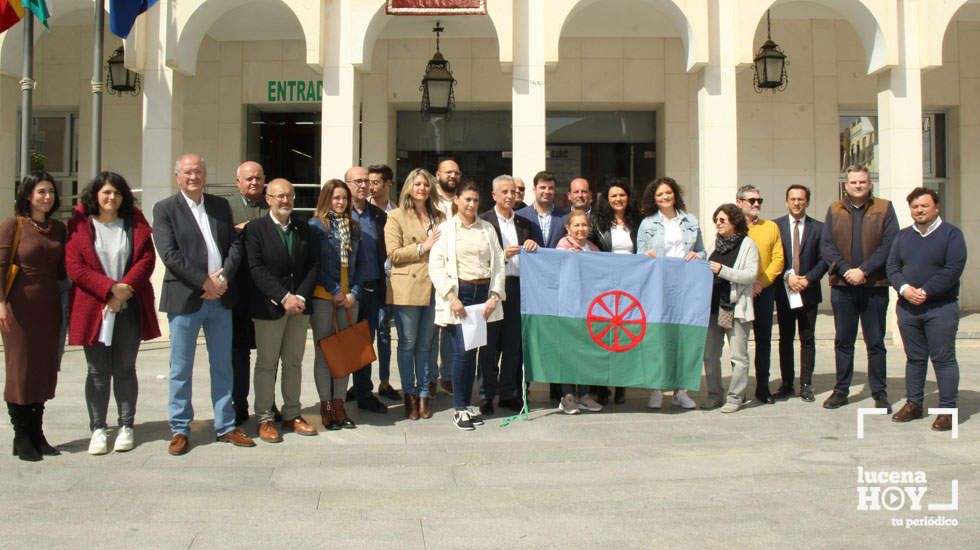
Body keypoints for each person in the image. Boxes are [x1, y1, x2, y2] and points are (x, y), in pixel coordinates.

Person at [152, 153, 254, 456]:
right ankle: (180, 428)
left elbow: (235, 244)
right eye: (187, 172)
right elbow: (169, 254)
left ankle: (225, 424)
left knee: (222, 364)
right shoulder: (165, 209)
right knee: (180, 367)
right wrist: (204, 282)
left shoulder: (220, 206)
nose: (193, 177)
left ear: (205, 174)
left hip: (221, 298)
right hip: (186, 298)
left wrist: (222, 277)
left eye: (198, 171)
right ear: (177, 177)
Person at [66, 172, 160, 455]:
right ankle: (97, 428)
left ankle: (126, 424)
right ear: (95, 194)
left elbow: (146, 259)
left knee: (125, 368)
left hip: (128, 307)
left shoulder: (134, 222)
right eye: (106, 192)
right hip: (94, 307)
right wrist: (109, 290)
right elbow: (75, 266)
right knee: (97, 371)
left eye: (117, 193)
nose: (112, 198)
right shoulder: (80, 223)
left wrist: (124, 290)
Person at [887, 187, 966, 432]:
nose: (919, 210)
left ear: (936, 207)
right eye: (915, 207)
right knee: (915, 359)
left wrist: (926, 291)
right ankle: (914, 403)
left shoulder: (951, 234)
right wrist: (904, 288)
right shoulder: (902, 236)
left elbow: (953, 268)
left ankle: (946, 410)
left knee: (943, 359)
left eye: (924, 206)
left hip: (940, 308)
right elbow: (892, 267)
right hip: (908, 308)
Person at [820, 165, 898, 412]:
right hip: (842, 287)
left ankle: (880, 393)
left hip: (874, 285)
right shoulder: (834, 209)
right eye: (853, 182)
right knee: (844, 341)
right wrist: (845, 270)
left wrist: (863, 270)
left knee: (875, 342)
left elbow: (890, 244)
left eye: (862, 182)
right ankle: (841, 391)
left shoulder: (884, 208)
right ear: (846, 185)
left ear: (869, 183)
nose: (858, 186)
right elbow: (827, 246)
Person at [245, 178, 318, 443]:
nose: (284, 201)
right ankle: (265, 418)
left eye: (289, 196)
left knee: (294, 363)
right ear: (268, 199)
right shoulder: (255, 229)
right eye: (279, 196)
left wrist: (298, 296)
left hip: (298, 308)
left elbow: (312, 265)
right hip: (269, 308)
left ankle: (292, 413)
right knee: (266, 364)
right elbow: (255, 269)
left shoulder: (303, 228)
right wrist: (283, 296)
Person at [429, 180, 506, 431]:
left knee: (483, 353)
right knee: (462, 354)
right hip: (461, 294)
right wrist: (452, 298)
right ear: (457, 201)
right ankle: (459, 407)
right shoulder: (446, 229)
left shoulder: (487, 229)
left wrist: (494, 296)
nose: (472, 204)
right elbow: (436, 266)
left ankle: (470, 404)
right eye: (467, 200)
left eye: (475, 200)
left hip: (485, 295)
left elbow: (499, 264)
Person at [0, 172, 66, 461]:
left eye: (50, 191)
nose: (46, 197)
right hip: (18, 308)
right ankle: (21, 435)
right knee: (20, 370)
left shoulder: (58, 229)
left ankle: (38, 434)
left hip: (49, 308)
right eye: (41, 191)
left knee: (42, 370)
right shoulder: (13, 226)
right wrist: (0, 302)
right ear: (28, 195)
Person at [634, 177, 705, 409]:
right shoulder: (647, 224)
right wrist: (647, 256)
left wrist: (698, 256)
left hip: (685, 286)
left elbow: (702, 251)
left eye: (668, 193)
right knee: (658, 337)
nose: (664, 197)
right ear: (653, 200)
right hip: (658, 286)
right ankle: (656, 389)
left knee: (682, 338)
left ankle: (680, 390)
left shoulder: (691, 221)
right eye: (659, 195)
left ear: (675, 194)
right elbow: (639, 255)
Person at [385, 168, 444, 420]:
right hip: (407, 288)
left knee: (425, 345)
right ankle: (409, 395)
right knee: (407, 344)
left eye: (426, 185)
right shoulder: (396, 216)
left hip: (435, 286)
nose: (422, 188)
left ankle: (423, 394)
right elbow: (393, 254)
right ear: (409, 187)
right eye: (417, 184)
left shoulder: (439, 216)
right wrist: (423, 246)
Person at [309, 179, 366, 430]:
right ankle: (326, 406)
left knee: (345, 353)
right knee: (324, 352)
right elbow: (315, 265)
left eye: (344, 198)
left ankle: (339, 404)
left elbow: (362, 265)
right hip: (324, 298)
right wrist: (334, 291)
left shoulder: (353, 227)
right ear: (326, 200)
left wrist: (353, 292)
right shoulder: (316, 226)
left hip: (349, 299)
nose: (340, 202)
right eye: (335, 198)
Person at [478, 175, 538, 415]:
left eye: (513, 192)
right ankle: (485, 395)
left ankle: (508, 393)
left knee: (513, 344)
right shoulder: (484, 221)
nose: (510, 196)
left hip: (518, 287)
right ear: (494, 195)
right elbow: (479, 259)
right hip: (493, 288)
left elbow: (535, 256)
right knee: (490, 345)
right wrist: (502, 256)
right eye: (505, 192)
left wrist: (532, 246)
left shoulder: (524, 224)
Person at [703, 204, 759, 413]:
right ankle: (714, 395)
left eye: (722, 220)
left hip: (735, 307)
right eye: (716, 220)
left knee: (738, 356)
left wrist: (723, 270)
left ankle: (735, 397)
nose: (718, 223)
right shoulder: (713, 245)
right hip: (712, 308)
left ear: (734, 222)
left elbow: (750, 275)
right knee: (710, 354)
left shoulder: (747, 245)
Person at [773, 185, 827, 402]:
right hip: (784, 290)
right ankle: (786, 384)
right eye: (793, 199)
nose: (796, 203)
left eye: (801, 199)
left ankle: (806, 384)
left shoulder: (820, 228)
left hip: (809, 290)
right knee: (785, 338)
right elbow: (774, 256)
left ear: (807, 202)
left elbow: (825, 259)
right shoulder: (775, 227)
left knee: (807, 338)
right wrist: (788, 276)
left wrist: (807, 279)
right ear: (786, 201)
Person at [344, 166, 389, 414]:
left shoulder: (378, 216)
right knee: (342, 342)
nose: (364, 185)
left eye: (367, 182)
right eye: (358, 181)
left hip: (371, 289)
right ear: (347, 183)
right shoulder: (339, 213)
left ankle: (363, 391)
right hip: (346, 292)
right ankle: (338, 395)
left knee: (365, 343)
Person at [735, 185, 784, 405]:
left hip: (763, 292)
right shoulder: (732, 228)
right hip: (739, 292)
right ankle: (739, 389)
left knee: (764, 341)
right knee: (739, 342)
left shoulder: (770, 227)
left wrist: (760, 283)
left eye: (759, 200)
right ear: (739, 203)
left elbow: (778, 260)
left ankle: (763, 388)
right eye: (751, 200)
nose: (756, 204)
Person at [228, 161, 267, 425]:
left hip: (266, 291)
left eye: (258, 178)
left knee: (268, 353)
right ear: (238, 181)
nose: (254, 182)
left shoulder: (271, 204)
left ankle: (267, 403)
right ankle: (238, 404)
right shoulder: (226, 207)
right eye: (249, 178)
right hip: (238, 291)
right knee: (239, 353)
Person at [555, 210, 605, 414]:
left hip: (589, 308)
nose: (581, 229)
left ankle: (584, 395)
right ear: (568, 227)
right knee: (568, 350)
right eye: (576, 225)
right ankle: (567, 396)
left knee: (584, 350)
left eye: (584, 225)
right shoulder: (562, 246)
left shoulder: (593, 249)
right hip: (568, 307)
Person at [368, 163, 401, 401]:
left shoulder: (397, 213)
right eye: (368, 182)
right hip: (368, 280)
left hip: (390, 280)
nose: (371, 187)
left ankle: (385, 381)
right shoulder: (361, 211)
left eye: (376, 182)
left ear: (388, 184)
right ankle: (361, 382)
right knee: (365, 333)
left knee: (384, 333)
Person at [430, 159, 462, 396]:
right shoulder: (428, 200)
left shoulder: (462, 200)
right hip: (431, 271)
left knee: (451, 326)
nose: (452, 175)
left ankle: (448, 375)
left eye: (456, 173)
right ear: (437, 174)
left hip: (457, 273)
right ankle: (430, 376)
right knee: (431, 329)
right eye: (448, 172)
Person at [517, 171, 567, 249]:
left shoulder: (565, 217)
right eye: (543, 187)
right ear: (534, 189)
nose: (547, 191)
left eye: (550, 188)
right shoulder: (519, 216)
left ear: (555, 191)